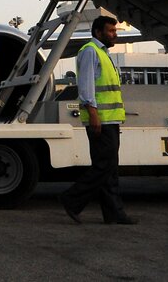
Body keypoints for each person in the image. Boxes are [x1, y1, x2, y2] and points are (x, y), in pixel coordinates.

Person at [59, 15, 138, 224]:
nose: (114, 35)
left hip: (110, 120)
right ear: (98, 32)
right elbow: (86, 86)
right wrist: (93, 113)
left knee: (110, 168)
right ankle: (72, 198)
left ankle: (114, 213)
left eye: (115, 31)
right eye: (110, 31)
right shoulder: (90, 52)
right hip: (100, 120)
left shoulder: (102, 53)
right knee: (105, 165)